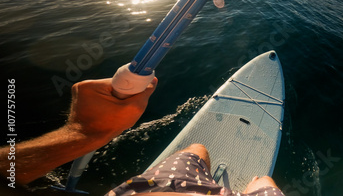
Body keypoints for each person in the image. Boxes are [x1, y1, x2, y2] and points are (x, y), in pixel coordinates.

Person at [0, 78, 284, 195]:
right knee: (262, 180)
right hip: (166, 188)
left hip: (164, 188)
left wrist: (85, 133)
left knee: (197, 150)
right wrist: (84, 133)